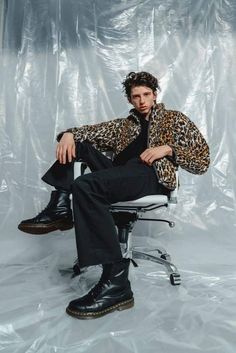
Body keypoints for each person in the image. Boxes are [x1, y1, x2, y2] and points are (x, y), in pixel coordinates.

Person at [18, 71, 210, 319]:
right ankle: (61, 206)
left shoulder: (175, 120)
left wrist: (169, 149)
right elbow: (87, 132)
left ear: (154, 95)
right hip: (120, 176)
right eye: (135, 96)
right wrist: (68, 134)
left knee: (85, 185)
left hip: (149, 176)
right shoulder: (123, 126)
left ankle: (116, 284)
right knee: (80, 144)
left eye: (146, 95)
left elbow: (202, 161)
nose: (141, 100)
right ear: (130, 100)